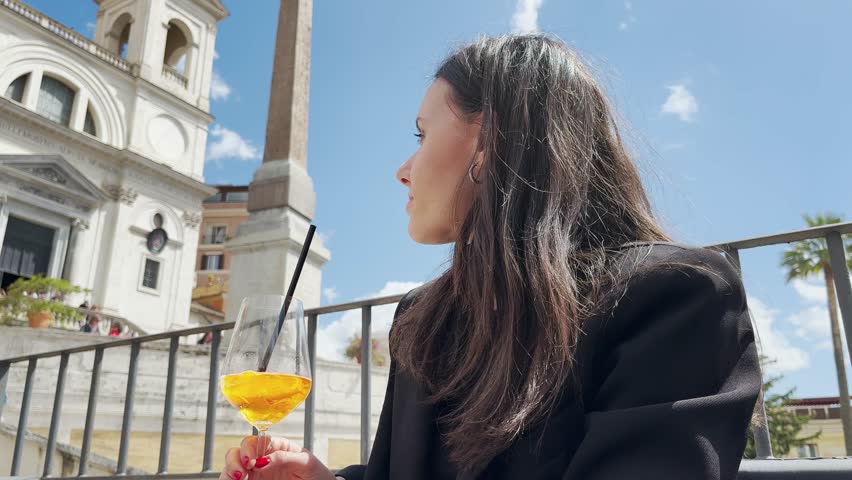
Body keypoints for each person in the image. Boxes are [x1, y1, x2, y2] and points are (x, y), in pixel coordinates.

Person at [220, 35, 761, 480]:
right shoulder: (424, 318)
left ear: (490, 143)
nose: (402, 170)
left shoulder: (674, 296)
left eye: (421, 134)